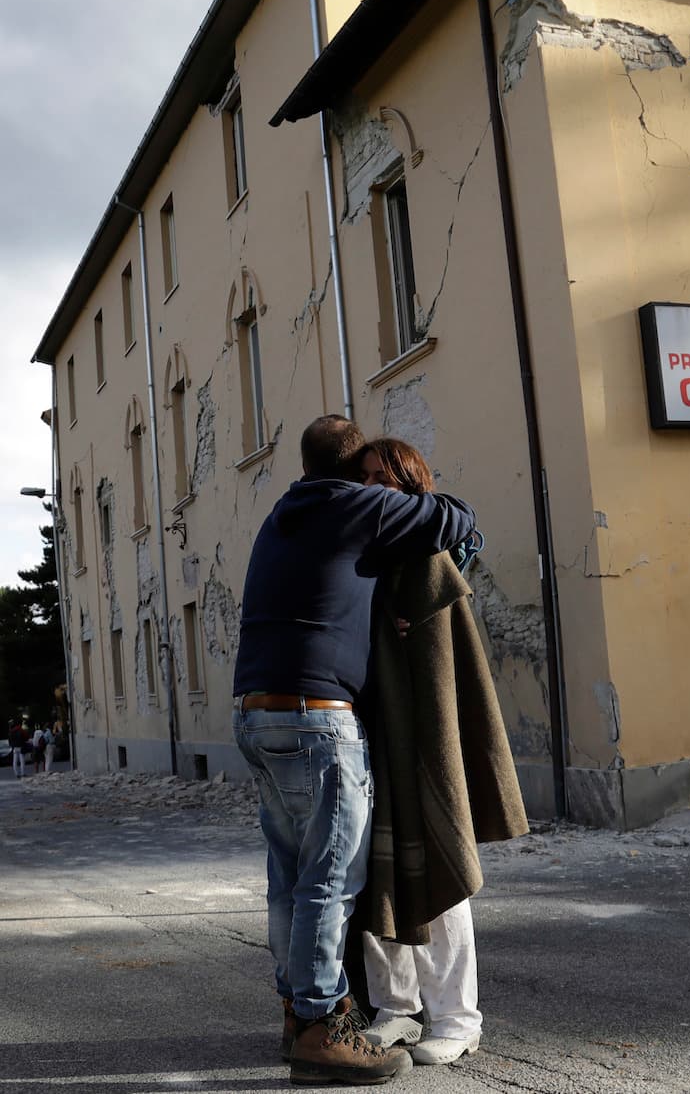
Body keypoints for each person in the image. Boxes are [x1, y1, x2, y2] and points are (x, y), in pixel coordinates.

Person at [232, 414, 475, 1087]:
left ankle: (294, 1011)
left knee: (288, 879)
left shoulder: (284, 513)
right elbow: (457, 517)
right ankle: (318, 1027)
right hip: (317, 720)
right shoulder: (352, 506)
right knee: (329, 882)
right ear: (350, 473)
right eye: (367, 475)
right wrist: (403, 498)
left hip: (257, 716)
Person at [355, 438, 529, 1066]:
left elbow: (445, 669)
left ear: (411, 483)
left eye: (388, 477)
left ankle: (458, 1017)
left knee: (439, 866)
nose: (376, 487)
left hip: (425, 741)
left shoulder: (429, 551)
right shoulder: (365, 556)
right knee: (375, 875)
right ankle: (395, 1008)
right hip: (372, 738)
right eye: (367, 477)